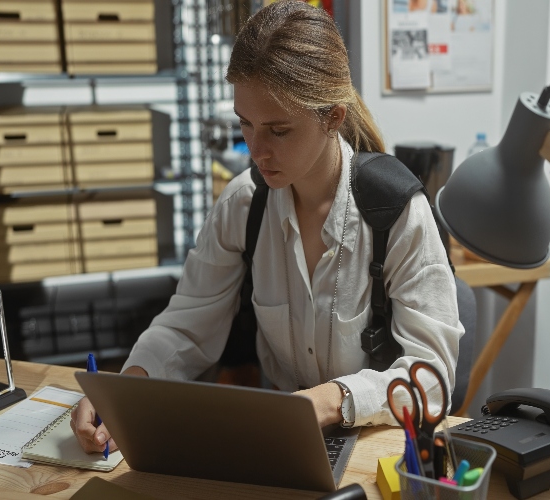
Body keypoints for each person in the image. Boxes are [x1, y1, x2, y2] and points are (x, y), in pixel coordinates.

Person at [71, 0, 463, 456]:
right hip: (275, 439)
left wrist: (331, 400)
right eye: (245, 124)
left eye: (278, 131)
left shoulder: (398, 214)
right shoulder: (244, 202)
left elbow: (431, 379)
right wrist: (125, 394)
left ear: (333, 117)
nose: (256, 150)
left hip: (376, 445)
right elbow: (186, 327)